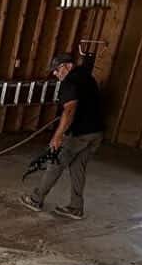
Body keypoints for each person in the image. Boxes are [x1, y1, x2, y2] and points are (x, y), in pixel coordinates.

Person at [21, 52, 105, 220]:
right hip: (96, 133)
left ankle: (36, 199)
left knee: (55, 164)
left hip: (79, 134)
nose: (55, 73)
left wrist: (57, 136)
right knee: (77, 168)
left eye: (57, 69)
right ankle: (76, 207)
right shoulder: (86, 77)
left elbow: (70, 109)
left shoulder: (69, 82)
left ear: (67, 65)